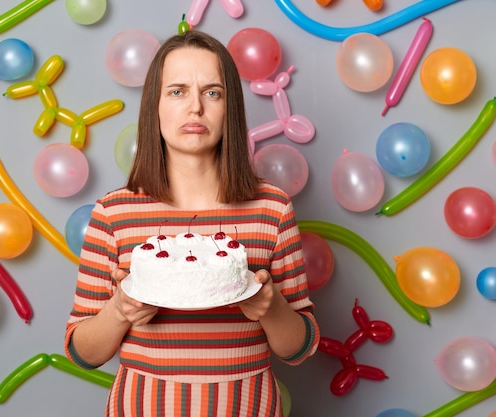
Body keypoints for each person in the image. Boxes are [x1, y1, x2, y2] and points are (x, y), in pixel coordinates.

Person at [64, 30, 319, 416]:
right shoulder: (114, 213)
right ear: (155, 106)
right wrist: (120, 311)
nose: (195, 108)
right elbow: (81, 352)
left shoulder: (271, 208)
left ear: (229, 108)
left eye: (212, 92)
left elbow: (299, 348)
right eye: (177, 91)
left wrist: (270, 307)